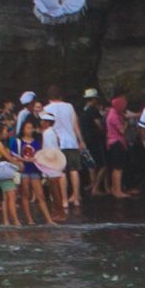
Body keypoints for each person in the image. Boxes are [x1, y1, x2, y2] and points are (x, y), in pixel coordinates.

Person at [44, 90, 86, 219]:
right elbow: (75, 125)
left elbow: (45, 126)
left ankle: (64, 200)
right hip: (72, 141)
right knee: (74, 170)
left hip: (58, 143)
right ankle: (76, 198)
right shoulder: (69, 106)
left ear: (49, 97)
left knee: (61, 172)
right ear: (60, 96)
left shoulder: (46, 108)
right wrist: (81, 140)